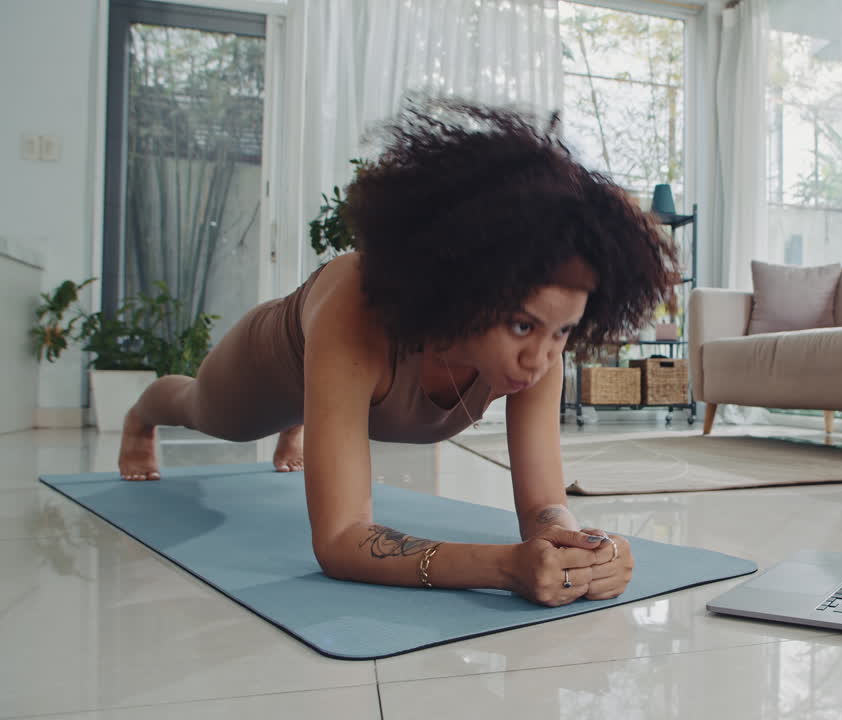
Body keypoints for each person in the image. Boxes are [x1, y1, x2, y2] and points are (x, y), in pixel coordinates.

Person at [115, 100, 679, 608]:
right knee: (203, 409)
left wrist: (583, 550)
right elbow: (340, 540)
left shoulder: (541, 353)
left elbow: (543, 510)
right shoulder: (355, 310)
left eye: (562, 333)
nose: (540, 358)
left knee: (326, 411)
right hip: (270, 362)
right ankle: (142, 415)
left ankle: (309, 422)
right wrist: (504, 566)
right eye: (521, 325)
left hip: (337, 380)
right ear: (465, 286)